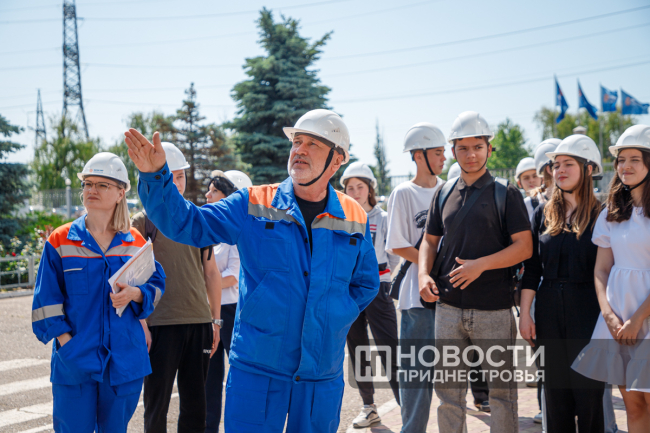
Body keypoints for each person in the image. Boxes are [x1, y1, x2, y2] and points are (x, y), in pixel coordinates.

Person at [124, 109, 379, 433]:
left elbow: (365, 283)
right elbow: (188, 223)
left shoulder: (354, 215)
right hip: (258, 369)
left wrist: (333, 317)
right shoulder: (252, 203)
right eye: (297, 142)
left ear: (337, 159)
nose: (299, 150)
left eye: (313, 144)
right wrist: (155, 176)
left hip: (321, 372)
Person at [31, 152, 165, 433]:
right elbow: (46, 301)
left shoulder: (135, 242)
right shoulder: (60, 240)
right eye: (88, 184)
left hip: (124, 361)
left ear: (120, 193)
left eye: (102, 184)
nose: (92, 190)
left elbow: (156, 284)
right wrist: (68, 344)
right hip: (75, 361)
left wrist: (136, 294)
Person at [419, 111, 532, 433]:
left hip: (494, 309)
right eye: (463, 148)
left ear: (489, 149)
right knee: (448, 394)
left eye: (478, 147)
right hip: (448, 308)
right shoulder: (443, 192)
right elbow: (429, 241)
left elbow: (524, 247)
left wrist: (480, 265)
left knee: (502, 394)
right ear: (453, 150)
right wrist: (423, 275)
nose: (471, 154)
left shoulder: (506, 192)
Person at [131, 142, 222, 433]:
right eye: (172, 177)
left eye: (180, 176)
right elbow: (130, 277)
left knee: (196, 407)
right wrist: (142, 324)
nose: (177, 183)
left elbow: (211, 273)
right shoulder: (142, 222)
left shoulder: (198, 217)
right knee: (156, 406)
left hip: (199, 323)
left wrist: (216, 321)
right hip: (160, 324)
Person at [519, 134, 606, 433]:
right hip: (548, 312)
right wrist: (525, 314)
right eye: (556, 165)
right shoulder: (542, 214)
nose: (560, 170)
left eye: (568, 164)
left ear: (589, 169)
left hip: (589, 312)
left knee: (589, 397)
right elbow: (532, 270)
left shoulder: (604, 215)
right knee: (555, 399)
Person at [572, 124, 650, 432]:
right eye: (621, 159)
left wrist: (637, 319)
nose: (625, 166)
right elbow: (601, 270)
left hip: (644, 316)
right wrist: (608, 315)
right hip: (617, 319)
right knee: (633, 404)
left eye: (635, 159)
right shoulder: (611, 211)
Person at [385, 122, 446, 433]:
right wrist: (430, 266)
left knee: (450, 373)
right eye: (438, 152)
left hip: (451, 294)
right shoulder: (403, 193)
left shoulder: (450, 188)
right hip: (416, 297)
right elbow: (396, 244)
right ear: (419, 155)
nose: (444, 158)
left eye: (444, 152)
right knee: (416, 375)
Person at [340, 162, 400, 428]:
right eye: (350, 188)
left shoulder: (383, 217)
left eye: (360, 187)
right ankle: (369, 406)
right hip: (350, 291)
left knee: (389, 347)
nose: (355, 192)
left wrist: (383, 278)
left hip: (378, 288)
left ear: (370, 189)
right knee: (358, 348)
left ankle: (406, 405)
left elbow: (394, 254)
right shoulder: (340, 220)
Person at [203, 169, 252, 433]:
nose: (207, 195)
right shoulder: (208, 229)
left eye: (214, 191)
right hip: (208, 311)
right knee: (209, 377)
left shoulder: (236, 232)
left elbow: (233, 276)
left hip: (231, 312)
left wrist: (203, 283)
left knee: (240, 374)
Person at [526, 139, 561, 220]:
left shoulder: (575, 202)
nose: (564, 170)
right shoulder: (529, 204)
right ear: (549, 169)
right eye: (557, 165)